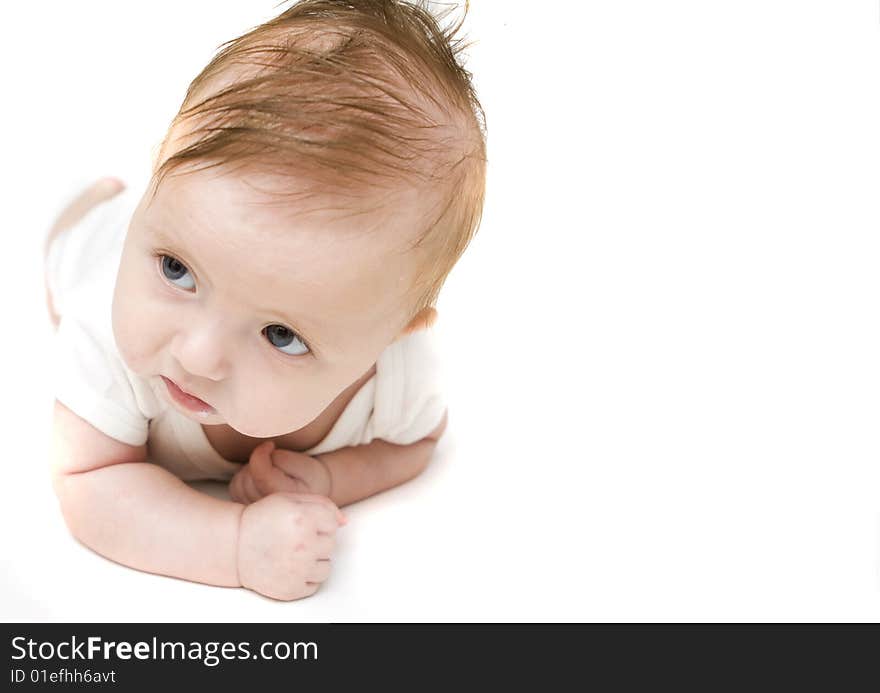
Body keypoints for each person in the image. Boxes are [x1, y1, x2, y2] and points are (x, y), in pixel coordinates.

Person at [44, 0, 486, 601]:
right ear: (160, 186)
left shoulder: (398, 378)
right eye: (176, 270)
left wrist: (332, 476)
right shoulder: (108, 333)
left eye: (282, 335)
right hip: (91, 245)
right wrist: (235, 544)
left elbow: (416, 443)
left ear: (392, 336)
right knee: (70, 247)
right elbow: (89, 483)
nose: (197, 356)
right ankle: (97, 206)